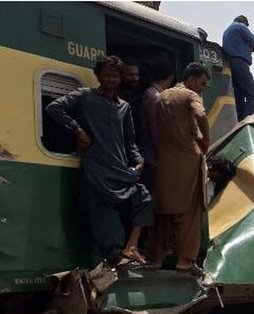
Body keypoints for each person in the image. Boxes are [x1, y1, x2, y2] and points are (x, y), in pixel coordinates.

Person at [46, 55, 152, 265]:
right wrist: (78, 130)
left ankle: (131, 247)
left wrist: (138, 161)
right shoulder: (85, 96)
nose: (111, 79)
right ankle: (116, 255)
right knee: (103, 212)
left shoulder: (124, 107)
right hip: (96, 167)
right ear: (98, 76)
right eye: (106, 75)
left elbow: (129, 141)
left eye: (115, 75)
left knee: (145, 199)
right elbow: (54, 108)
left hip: (120, 168)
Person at [150, 63, 211, 273]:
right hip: (188, 161)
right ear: (191, 79)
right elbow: (201, 115)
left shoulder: (161, 97)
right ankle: (185, 261)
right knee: (192, 212)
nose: (202, 88)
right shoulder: (190, 96)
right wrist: (205, 142)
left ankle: (156, 258)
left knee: (164, 212)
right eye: (202, 83)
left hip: (165, 162)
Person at [136, 60, 174, 192]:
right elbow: (156, 129)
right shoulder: (156, 97)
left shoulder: (149, 93)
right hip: (153, 159)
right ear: (170, 77)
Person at [223, 15, 254, 120]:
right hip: (240, 62)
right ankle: (247, 121)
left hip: (229, 64)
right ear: (245, 23)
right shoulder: (240, 27)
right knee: (251, 95)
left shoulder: (227, 31)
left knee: (239, 96)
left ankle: (239, 119)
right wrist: (249, 47)